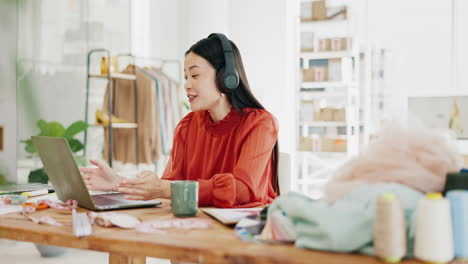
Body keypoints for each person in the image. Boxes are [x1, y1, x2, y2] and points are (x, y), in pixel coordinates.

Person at [80, 33, 279, 208]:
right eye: (185, 77)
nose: (186, 84)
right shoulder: (187, 126)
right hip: (198, 226)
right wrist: (118, 183)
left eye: (195, 75)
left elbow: (243, 190)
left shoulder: (260, 124)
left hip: (244, 232)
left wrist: (166, 189)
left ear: (226, 78)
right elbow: (169, 189)